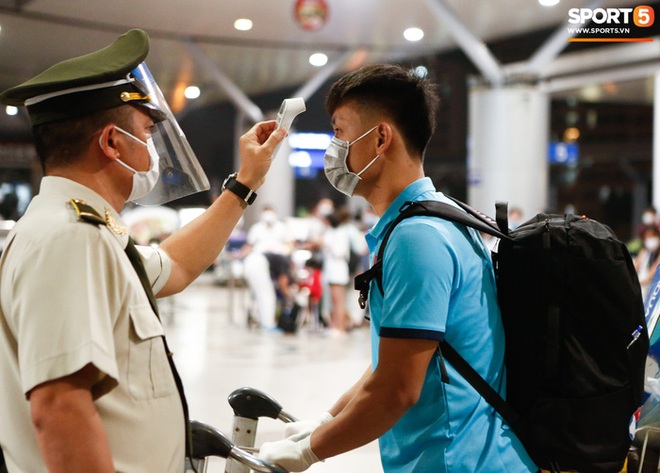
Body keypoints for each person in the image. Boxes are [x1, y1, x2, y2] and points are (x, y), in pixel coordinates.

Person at [0, 29, 285, 473]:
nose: (153, 147)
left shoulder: (86, 231)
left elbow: (174, 265)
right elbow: (60, 410)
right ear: (112, 143)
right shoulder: (70, 238)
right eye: (147, 131)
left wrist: (244, 184)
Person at [259, 64, 536, 472]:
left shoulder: (416, 237)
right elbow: (396, 362)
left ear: (381, 138)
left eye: (339, 132)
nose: (333, 148)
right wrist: (327, 420)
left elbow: (396, 391)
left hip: (456, 460)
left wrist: (309, 451)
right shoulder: (440, 217)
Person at [634, 224, 660, 300]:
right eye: (647, 237)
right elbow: (634, 268)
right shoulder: (644, 253)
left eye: (653, 236)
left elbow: (652, 274)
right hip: (642, 292)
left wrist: (639, 283)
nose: (650, 240)